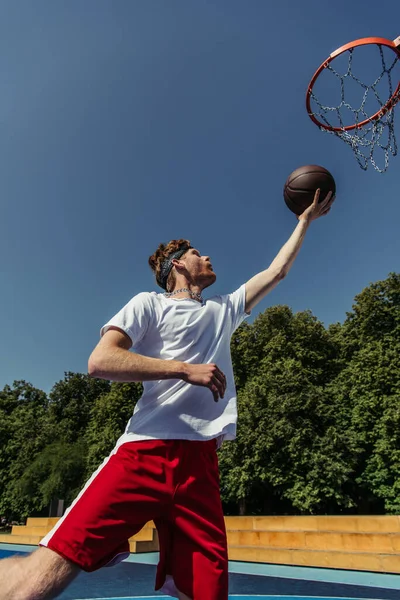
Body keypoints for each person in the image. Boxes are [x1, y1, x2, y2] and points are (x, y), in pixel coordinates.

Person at [0, 190, 334, 600]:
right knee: (45, 575)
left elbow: (277, 271)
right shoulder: (149, 305)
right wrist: (183, 369)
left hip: (201, 467)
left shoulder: (224, 309)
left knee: (208, 594)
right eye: (198, 253)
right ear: (178, 264)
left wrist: (304, 221)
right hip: (145, 451)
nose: (208, 257)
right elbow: (101, 360)